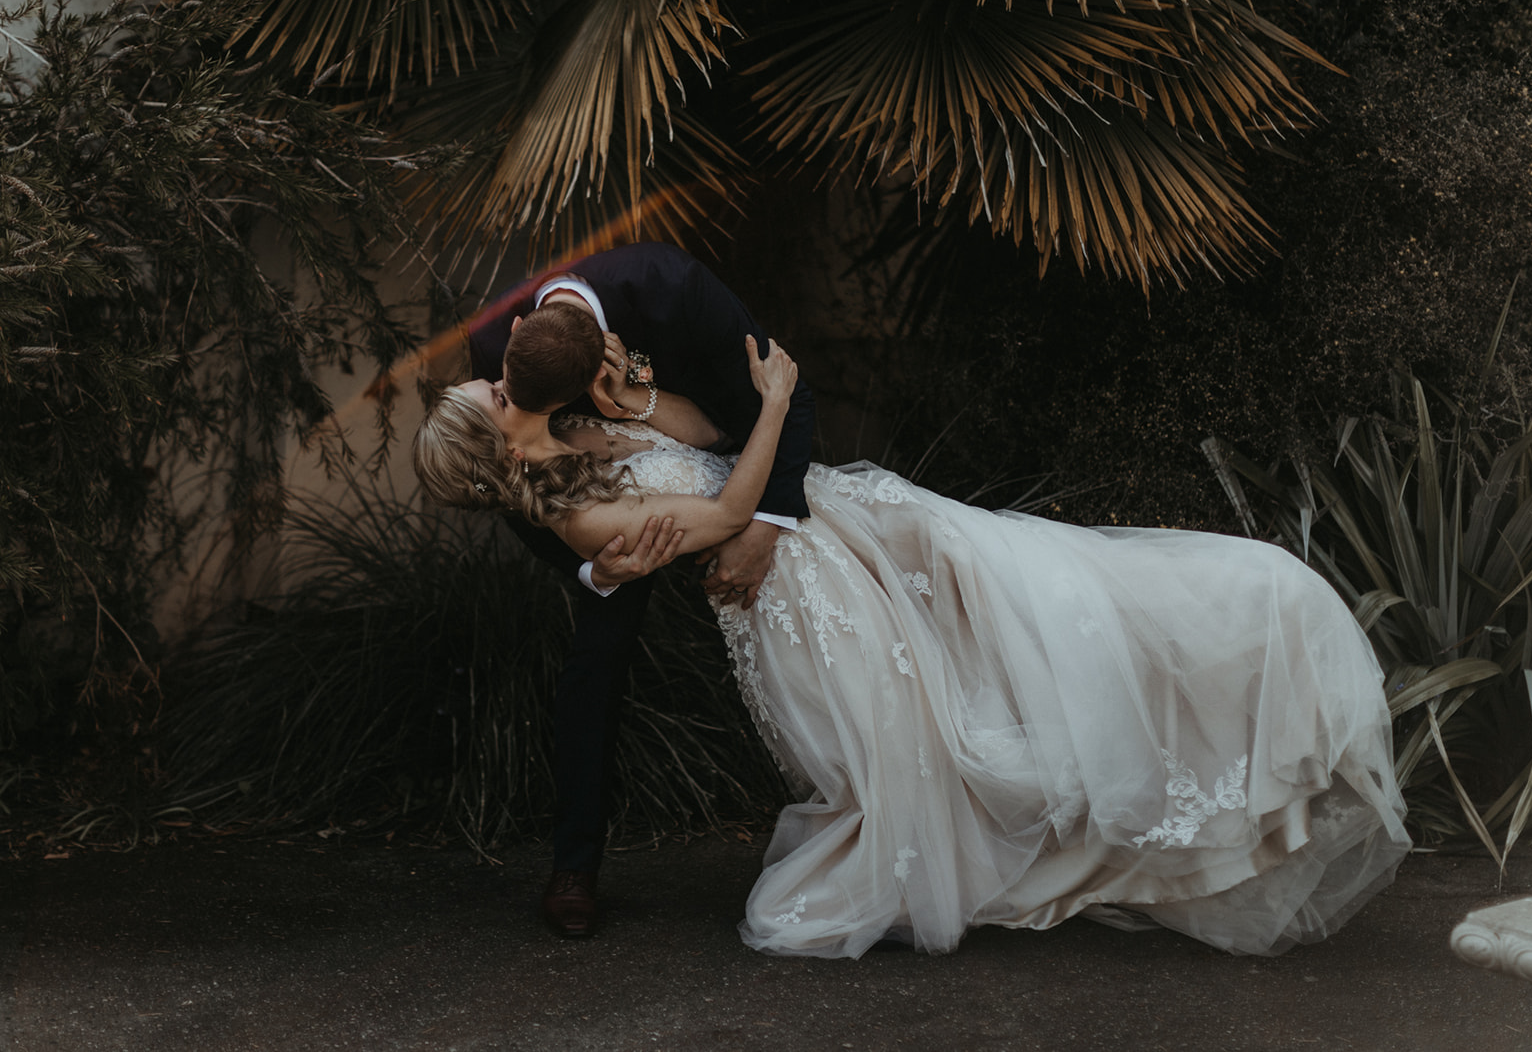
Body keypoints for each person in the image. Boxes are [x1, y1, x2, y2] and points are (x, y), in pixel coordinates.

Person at [414, 293, 1413, 960]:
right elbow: (724, 516)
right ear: (491, 440)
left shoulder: (578, 426)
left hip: (838, 527)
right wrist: (777, 402)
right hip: (791, 590)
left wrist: (628, 393)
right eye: (489, 394)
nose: (500, 380)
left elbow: (695, 439)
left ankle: (1235, 677)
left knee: (1019, 608)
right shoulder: (573, 511)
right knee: (924, 734)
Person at [440, 242, 817, 939]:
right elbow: (503, 479)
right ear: (516, 338)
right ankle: (573, 866)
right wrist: (592, 567)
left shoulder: (670, 287)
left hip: (714, 466)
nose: (510, 398)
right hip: (599, 513)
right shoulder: (495, 344)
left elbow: (772, 394)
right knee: (594, 664)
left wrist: (766, 523)